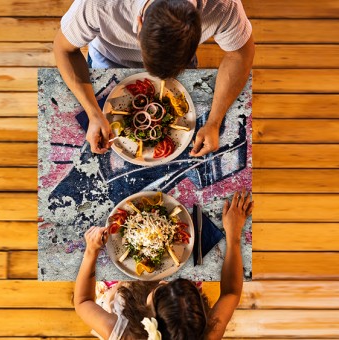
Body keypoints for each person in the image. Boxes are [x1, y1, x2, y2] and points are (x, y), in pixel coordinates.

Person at [54, 0, 255, 156]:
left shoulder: (223, 6)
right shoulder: (97, 5)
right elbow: (63, 49)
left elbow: (240, 54)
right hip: (108, 60)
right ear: (139, 22)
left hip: (182, 69)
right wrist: (93, 114)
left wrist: (214, 122)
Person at [74, 190, 254, 339]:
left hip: (123, 297)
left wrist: (91, 251)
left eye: (162, 289)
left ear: (148, 318)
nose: (164, 281)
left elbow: (83, 302)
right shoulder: (206, 335)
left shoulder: (124, 334)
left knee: (110, 290)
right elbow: (231, 293)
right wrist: (234, 235)